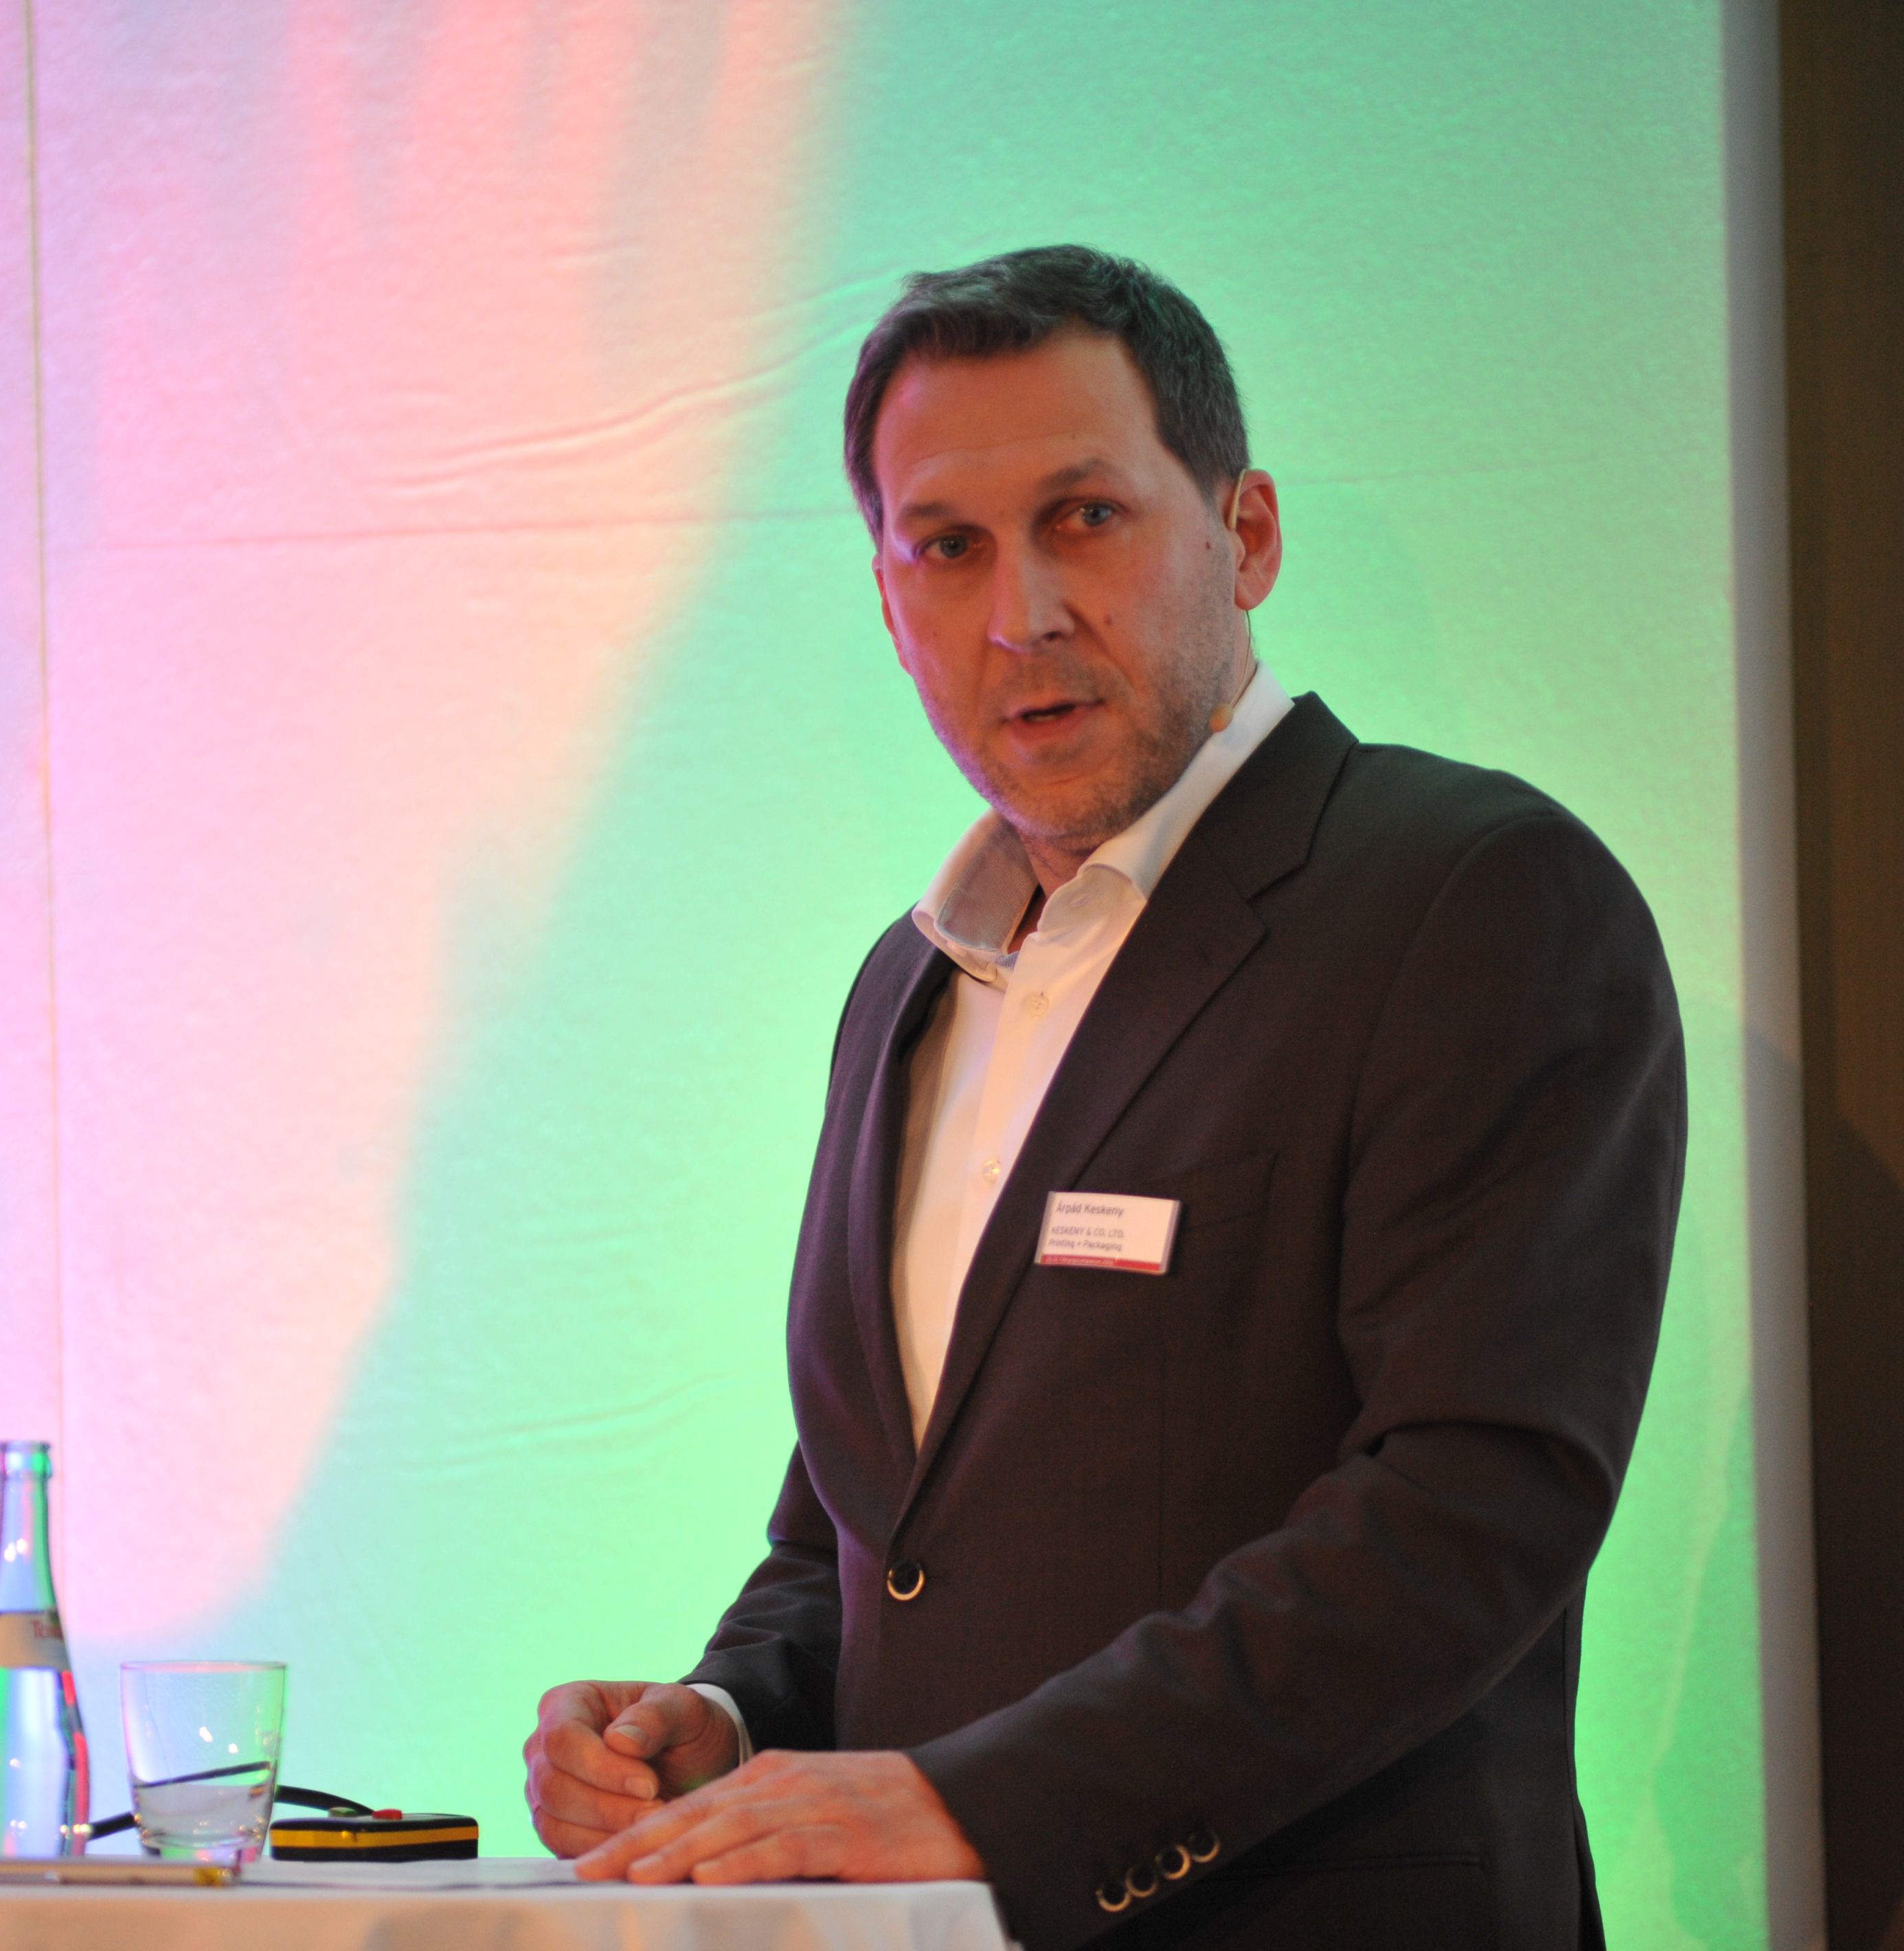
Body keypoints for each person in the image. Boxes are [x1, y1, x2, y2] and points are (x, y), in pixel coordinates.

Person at [521, 245, 1684, 1950]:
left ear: (1247, 534)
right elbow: (863, 1534)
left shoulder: (1473, 897)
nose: (1024, 616)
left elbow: (1469, 1508)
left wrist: (979, 1805)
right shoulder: (905, 985)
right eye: (948, 548)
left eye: (1085, 518)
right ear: (888, 603)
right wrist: (728, 1721)